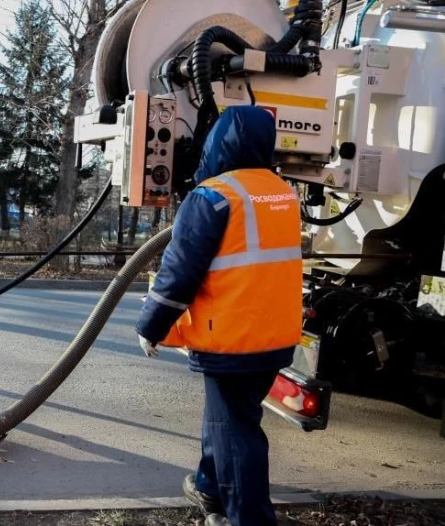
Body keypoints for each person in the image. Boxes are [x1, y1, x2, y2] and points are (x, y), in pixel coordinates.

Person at [134, 105, 302, 526]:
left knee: (237, 434)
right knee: (230, 419)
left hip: (231, 339)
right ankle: (210, 486)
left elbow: (179, 273)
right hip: (273, 338)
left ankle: (250, 520)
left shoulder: (212, 196)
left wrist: (151, 326)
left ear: (217, 142)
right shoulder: (282, 192)